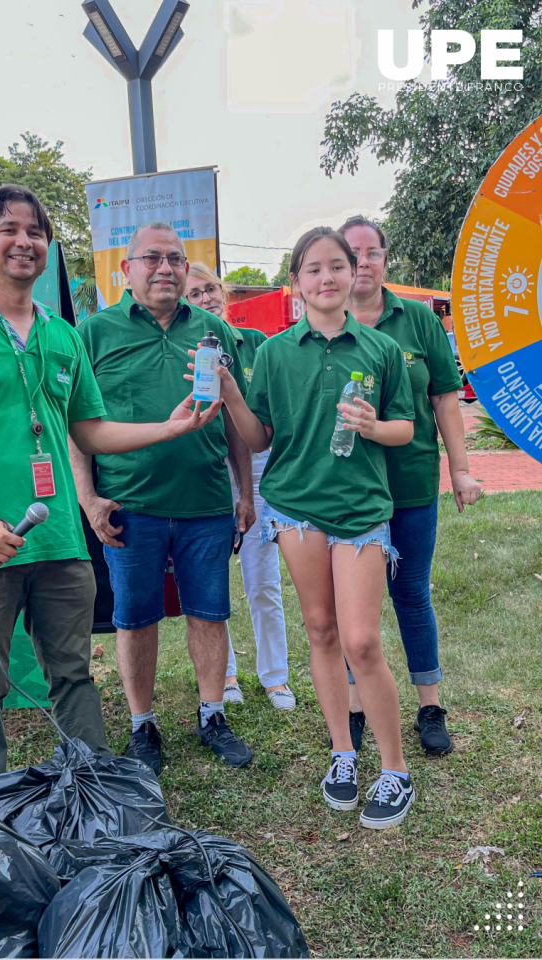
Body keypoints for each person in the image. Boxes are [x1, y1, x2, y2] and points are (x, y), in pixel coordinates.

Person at [0, 187, 221, 785]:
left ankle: (98, 799)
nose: (24, 241)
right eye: (8, 230)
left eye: (36, 232)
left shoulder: (61, 336)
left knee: (73, 676)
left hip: (59, 546)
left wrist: (170, 426)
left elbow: (91, 430)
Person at [203, 226, 418, 829]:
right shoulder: (272, 353)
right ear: (295, 282)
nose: (326, 278)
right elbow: (258, 437)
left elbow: (405, 428)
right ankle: (343, 755)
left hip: (360, 512)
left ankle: (395, 769)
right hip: (294, 510)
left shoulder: (378, 350)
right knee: (320, 632)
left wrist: (374, 427)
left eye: (337, 267)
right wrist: (230, 395)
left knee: (362, 641)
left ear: (354, 275)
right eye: (313, 269)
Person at [69, 222, 256, 775]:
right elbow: (76, 426)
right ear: (126, 271)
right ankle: (142, 724)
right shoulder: (93, 334)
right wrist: (88, 498)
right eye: (151, 258)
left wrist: (244, 495)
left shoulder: (214, 331)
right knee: (134, 617)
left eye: (175, 258)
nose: (166, 268)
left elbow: (234, 422)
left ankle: (213, 714)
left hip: (204, 503)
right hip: (130, 505)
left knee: (209, 613)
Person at [338, 216, 482, 755]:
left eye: (372, 253)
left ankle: (430, 706)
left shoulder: (418, 320)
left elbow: (446, 396)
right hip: (349, 492)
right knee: (354, 610)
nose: (363, 264)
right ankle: (354, 709)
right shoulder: (328, 321)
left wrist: (460, 469)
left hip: (412, 484)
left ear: (384, 259)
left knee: (411, 594)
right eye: (352, 254)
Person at [184, 261, 295, 712]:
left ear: (225, 295)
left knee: (262, 577)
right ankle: (225, 674)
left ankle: (275, 677)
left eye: (211, 288)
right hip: (211, 470)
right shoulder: (184, 353)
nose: (206, 297)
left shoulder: (257, 345)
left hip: (260, 467)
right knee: (214, 582)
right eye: (194, 294)